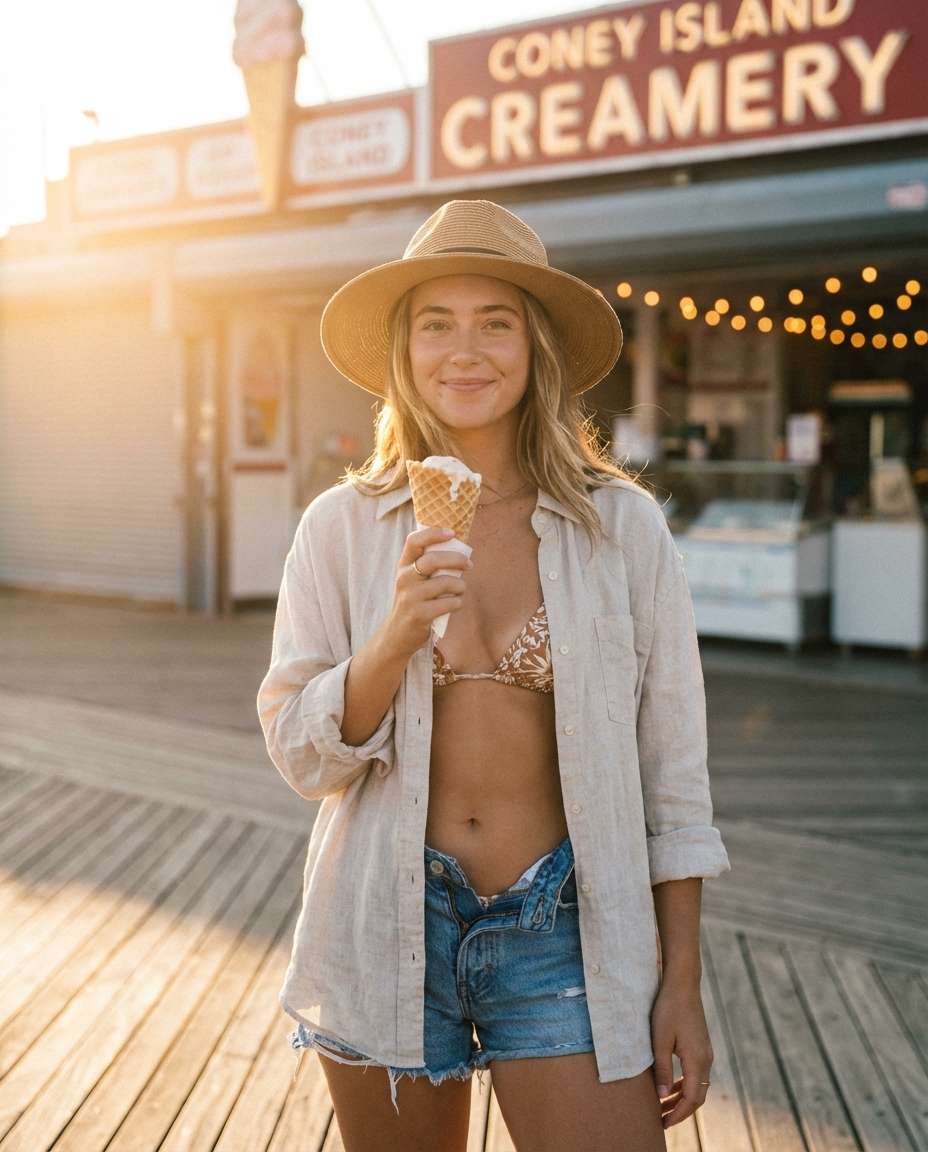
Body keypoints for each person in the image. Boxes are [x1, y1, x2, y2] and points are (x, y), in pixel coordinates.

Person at [257, 199, 731, 1152]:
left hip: (563, 920)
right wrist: (393, 637)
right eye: (437, 323)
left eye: (495, 322)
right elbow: (300, 754)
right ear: (404, 350)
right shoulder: (341, 527)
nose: (464, 350)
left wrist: (681, 979)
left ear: (535, 347)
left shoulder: (619, 529)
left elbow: (673, 772)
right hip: (385, 912)